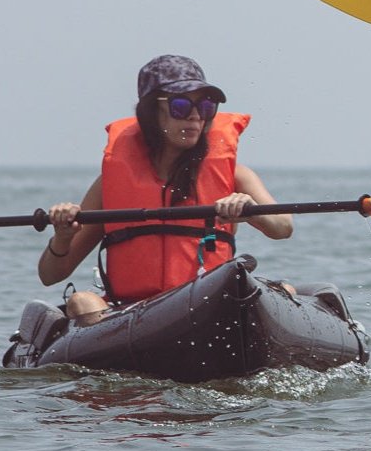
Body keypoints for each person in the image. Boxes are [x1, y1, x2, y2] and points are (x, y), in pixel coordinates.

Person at [40, 55, 293, 322]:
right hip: (133, 312)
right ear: (152, 113)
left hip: (210, 304)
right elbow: (50, 275)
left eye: (206, 106)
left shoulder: (236, 176)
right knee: (81, 303)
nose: (196, 116)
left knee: (284, 290)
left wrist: (249, 209)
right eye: (181, 105)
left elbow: (283, 227)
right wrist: (63, 236)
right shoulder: (109, 185)